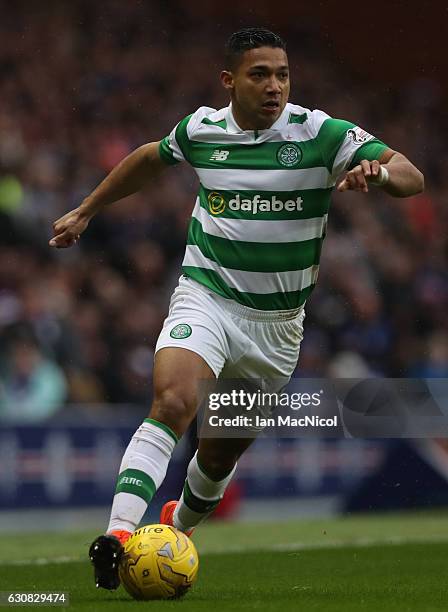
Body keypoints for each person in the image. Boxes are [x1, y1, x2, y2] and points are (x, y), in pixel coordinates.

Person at [49, 27, 424, 590]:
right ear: (230, 81)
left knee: (217, 460)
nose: (274, 86)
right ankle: (119, 535)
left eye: (282, 74)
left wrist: (380, 173)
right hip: (208, 298)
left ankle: (178, 526)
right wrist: (85, 211)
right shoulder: (202, 129)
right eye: (260, 74)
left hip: (276, 329)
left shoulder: (320, 132)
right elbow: (151, 158)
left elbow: (410, 176)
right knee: (173, 399)